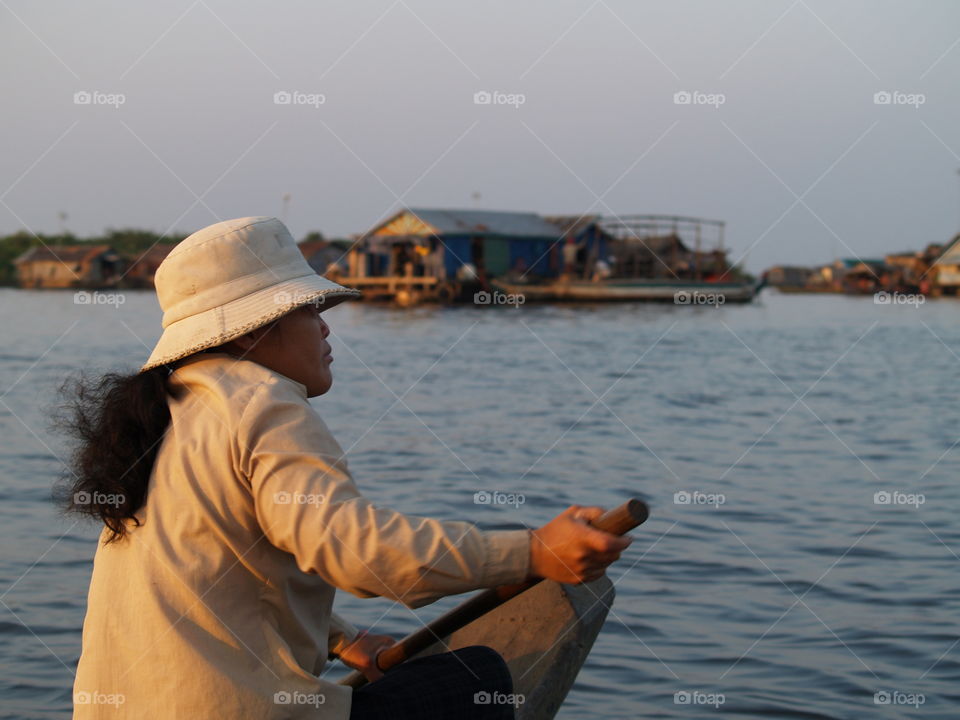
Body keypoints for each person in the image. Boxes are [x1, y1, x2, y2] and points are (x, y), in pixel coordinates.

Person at [60, 217, 632, 719]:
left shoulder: (165, 412)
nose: (327, 329)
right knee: (478, 677)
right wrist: (535, 551)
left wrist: (342, 638)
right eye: (311, 310)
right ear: (259, 327)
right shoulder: (261, 402)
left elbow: (205, 570)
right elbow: (358, 554)